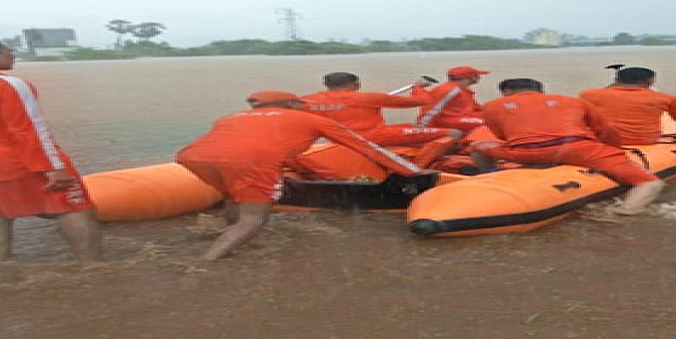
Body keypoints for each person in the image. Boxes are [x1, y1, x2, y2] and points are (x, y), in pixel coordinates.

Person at [176, 91, 431, 261]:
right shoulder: (307, 118)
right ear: (290, 104)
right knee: (254, 219)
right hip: (253, 162)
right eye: (300, 103)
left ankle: (222, 231)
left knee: (234, 196)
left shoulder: (230, 118)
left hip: (192, 157)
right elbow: (364, 145)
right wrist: (412, 171)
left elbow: (232, 144)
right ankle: (207, 262)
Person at [0, 36, 103, 264]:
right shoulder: (7, 84)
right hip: (20, 164)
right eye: (8, 51)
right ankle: (94, 267)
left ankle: (1, 267)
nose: (14, 55)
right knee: (73, 210)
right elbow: (30, 129)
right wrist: (54, 167)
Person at [473, 78, 664, 214]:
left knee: (477, 146)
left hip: (525, 153)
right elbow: (606, 130)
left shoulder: (491, 106)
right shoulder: (574, 101)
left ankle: (491, 175)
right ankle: (625, 212)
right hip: (578, 150)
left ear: (505, 92)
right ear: (541, 90)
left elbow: (502, 136)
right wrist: (615, 152)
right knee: (649, 182)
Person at [301, 72, 462, 167]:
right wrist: (418, 88)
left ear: (326, 84)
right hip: (375, 136)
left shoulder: (308, 101)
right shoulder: (368, 98)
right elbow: (421, 102)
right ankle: (416, 167)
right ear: (357, 84)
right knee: (453, 133)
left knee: (409, 126)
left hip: (340, 140)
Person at [579, 66, 676, 145]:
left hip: (602, 140)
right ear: (650, 81)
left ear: (616, 80)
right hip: (643, 140)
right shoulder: (666, 99)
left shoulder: (587, 94)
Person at [412, 66, 488, 134]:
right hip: (448, 121)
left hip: (459, 117)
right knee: (489, 123)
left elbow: (477, 108)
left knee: (493, 119)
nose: (479, 77)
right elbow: (430, 109)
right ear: (471, 77)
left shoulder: (463, 90)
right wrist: (422, 129)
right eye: (477, 75)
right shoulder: (449, 90)